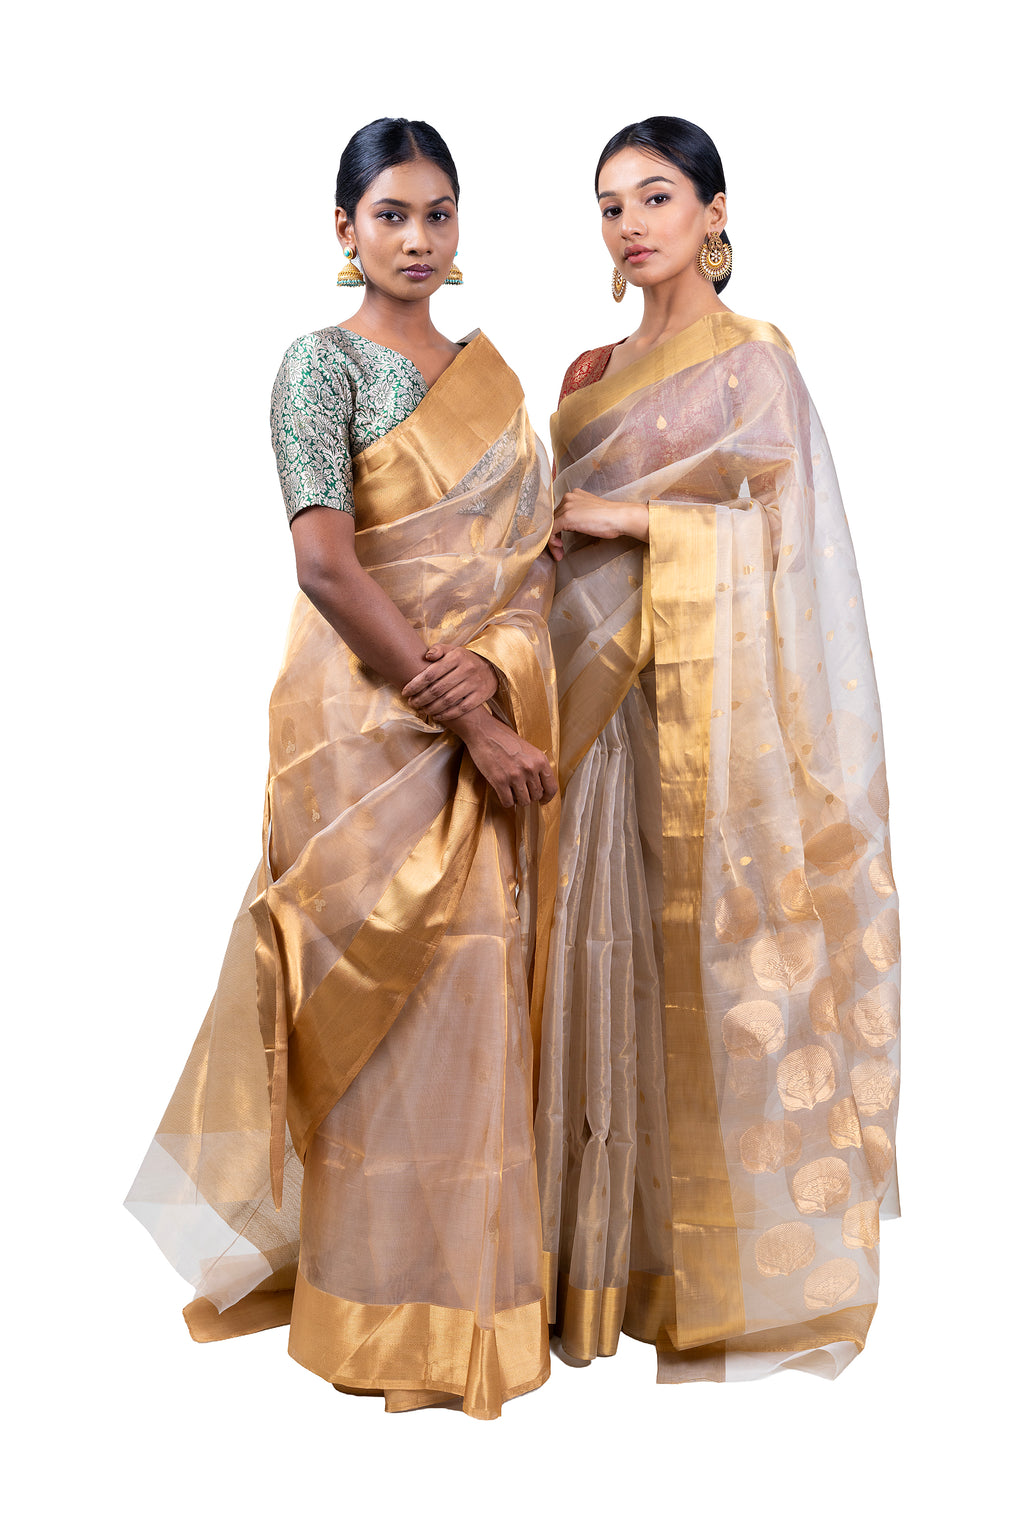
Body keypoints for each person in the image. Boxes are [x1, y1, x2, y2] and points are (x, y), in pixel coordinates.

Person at [126, 118, 559, 1420]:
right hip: (359, 743)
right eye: (391, 216)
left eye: (438, 215)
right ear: (344, 232)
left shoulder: (496, 376)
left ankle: (468, 1313)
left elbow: (531, 555)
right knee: (364, 1013)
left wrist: (497, 672)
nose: (418, 240)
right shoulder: (320, 369)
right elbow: (324, 562)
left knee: (475, 993)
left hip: (475, 719)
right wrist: (466, 715)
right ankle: (366, 1309)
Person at [535, 116, 900, 1383]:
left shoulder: (755, 366)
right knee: (592, 963)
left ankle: (716, 1274)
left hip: (711, 718)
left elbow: (789, 553)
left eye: (654, 197)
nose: (630, 225)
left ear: (713, 211)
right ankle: (589, 1265)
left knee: (714, 967)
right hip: (585, 717)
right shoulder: (583, 374)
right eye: (608, 206)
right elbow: (547, 540)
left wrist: (633, 519)